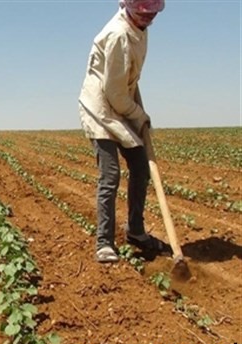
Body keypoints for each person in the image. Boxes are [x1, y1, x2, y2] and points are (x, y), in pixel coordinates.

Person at [78, 0, 166, 263]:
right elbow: (114, 92)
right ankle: (104, 242)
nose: (148, 16)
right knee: (110, 174)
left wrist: (136, 109)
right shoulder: (118, 35)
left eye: (152, 11)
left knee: (140, 167)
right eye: (142, 10)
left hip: (122, 103)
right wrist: (139, 115)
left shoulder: (140, 28)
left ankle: (136, 231)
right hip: (101, 108)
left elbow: (128, 78)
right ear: (128, 6)